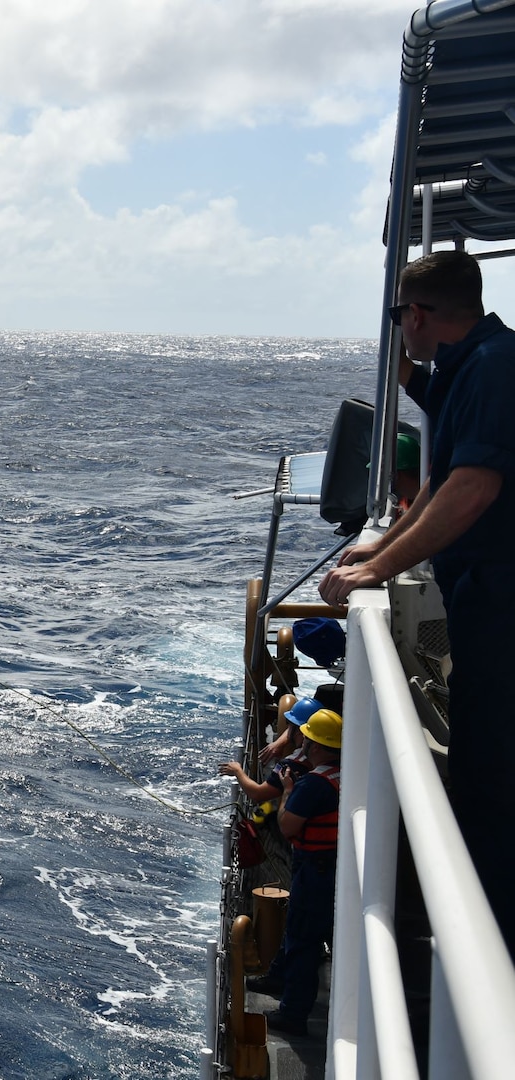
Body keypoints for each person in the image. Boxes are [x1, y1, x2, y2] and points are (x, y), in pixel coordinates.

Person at [318, 250, 515, 954]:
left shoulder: (493, 368)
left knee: (493, 781)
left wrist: (381, 566)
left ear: (419, 313)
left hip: (500, 600)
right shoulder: (473, 366)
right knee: (483, 768)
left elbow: (472, 488)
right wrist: (381, 551)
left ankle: (488, 950)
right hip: (481, 597)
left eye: (401, 315)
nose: (399, 328)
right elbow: (439, 479)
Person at [247, 708, 343, 1036]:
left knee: (304, 938)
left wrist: (287, 791)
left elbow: (287, 827)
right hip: (330, 863)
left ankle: (293, 1013)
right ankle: (278, 975)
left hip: (314, 869)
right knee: (297, 927)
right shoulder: (341, 774)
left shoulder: (314, 784)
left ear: (314, 744)